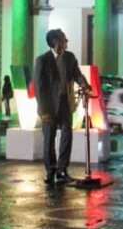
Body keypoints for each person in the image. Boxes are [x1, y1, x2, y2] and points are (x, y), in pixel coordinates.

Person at [34, 28, 92, 185]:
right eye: (64, 39)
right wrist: (43, 111)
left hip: (66, 103)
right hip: (49, 107)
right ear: (56, 42)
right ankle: (50, 170)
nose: (67, 42)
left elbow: (77, 74)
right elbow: (39, 88)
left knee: (67, 136)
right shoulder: (42, 60)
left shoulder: (70, 57)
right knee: (49, 139)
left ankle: (62, 170)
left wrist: (85, 84)